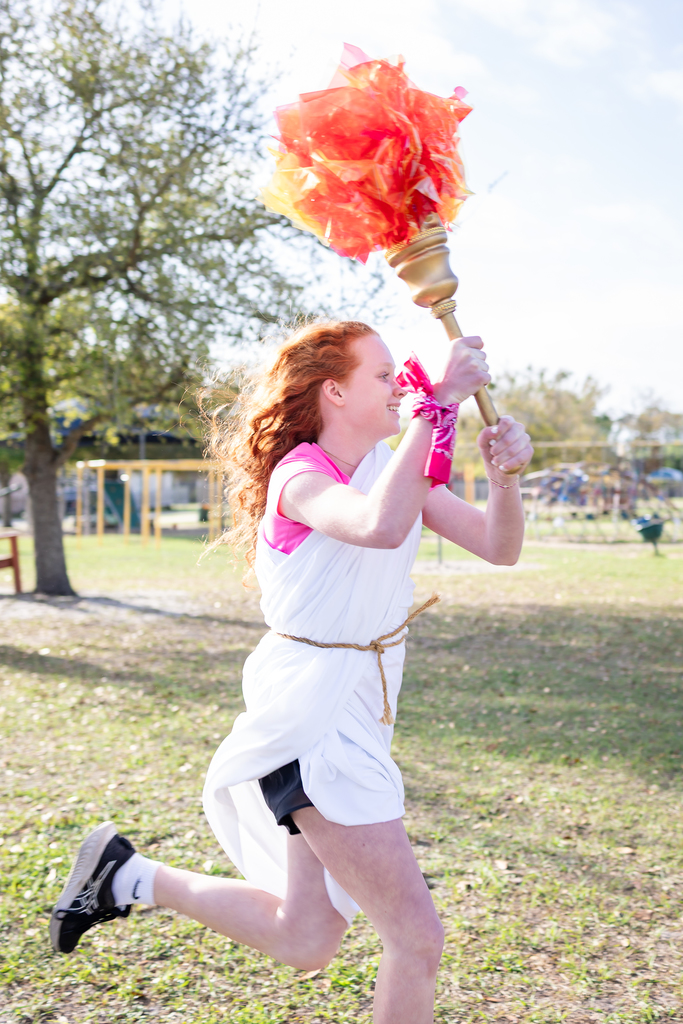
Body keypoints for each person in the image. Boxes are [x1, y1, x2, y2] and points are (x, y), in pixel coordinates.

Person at [50, 320, 533, 1024]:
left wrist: (504, 479)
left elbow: (498, 546)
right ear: (334, 392)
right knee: (416, 938)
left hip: (354, 715)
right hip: (311, 721)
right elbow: (376, 526)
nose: (401, 385)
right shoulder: (301, 475)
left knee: (305, 938)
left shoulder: (387, 474)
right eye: (382, 375)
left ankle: (127, 875)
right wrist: (439, 406)